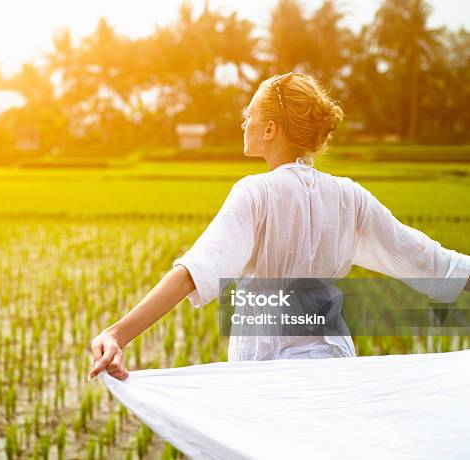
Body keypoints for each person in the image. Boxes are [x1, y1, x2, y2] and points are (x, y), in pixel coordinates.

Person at [88, 72, 470, 381]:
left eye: (250, 115)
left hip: (269, 375)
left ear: (270, 130)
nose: (243, 123)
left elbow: (195, 271)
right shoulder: (349, 196)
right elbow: (428, 259)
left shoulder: (255, 192)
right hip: (336, 368)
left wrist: (117, 334)